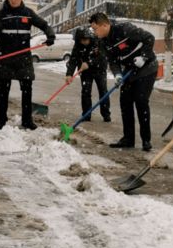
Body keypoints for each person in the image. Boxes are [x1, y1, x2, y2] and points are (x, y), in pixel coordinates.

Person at [0, 0, 55, 130]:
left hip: (24, 57)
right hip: (5, 56)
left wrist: (50, 36)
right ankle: (1, 120)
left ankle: (27, 120)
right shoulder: (1, 15)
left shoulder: (28, 13)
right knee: (3, 90)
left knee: (27, 89)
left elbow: (44, 25)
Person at [89, 12, 158, 151]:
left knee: (141, 100)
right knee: (125, 101)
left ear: (105, 25)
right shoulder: (104, 42)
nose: (94, 32)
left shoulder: (125, 29)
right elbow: (113, 61)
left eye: (95, 28)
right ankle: (128, 139)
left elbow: (149, 38)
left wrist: (143, 57)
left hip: (147, 67)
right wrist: (118, 75)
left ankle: (146, 140)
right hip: (129, 69)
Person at [65, 26, 111, 122]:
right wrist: (69, 74)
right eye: (83, 40)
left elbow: (101, 57)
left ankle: (106, 114)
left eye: (87, 39)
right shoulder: (77, 45)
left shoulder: (97, 42)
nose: (85, 42)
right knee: (86, 92)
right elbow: (73, 60)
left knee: (103, 91)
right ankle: (86, 114)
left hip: (99, 70)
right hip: (85, 72)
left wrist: (89, 63)